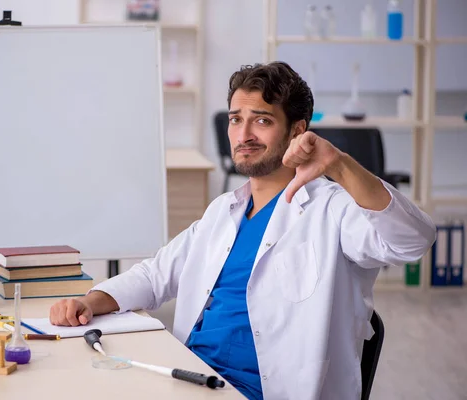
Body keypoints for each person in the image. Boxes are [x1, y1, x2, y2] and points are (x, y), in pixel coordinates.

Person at [49, 62, 436, 399]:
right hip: (190, 375)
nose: (243, 134)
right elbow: (155, 275)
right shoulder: (225, 210)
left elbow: (413, 240)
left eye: (262, 120)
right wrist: (90, 300)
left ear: (298, 130)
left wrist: (341, 165)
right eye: (236, 119)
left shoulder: (332, 209)